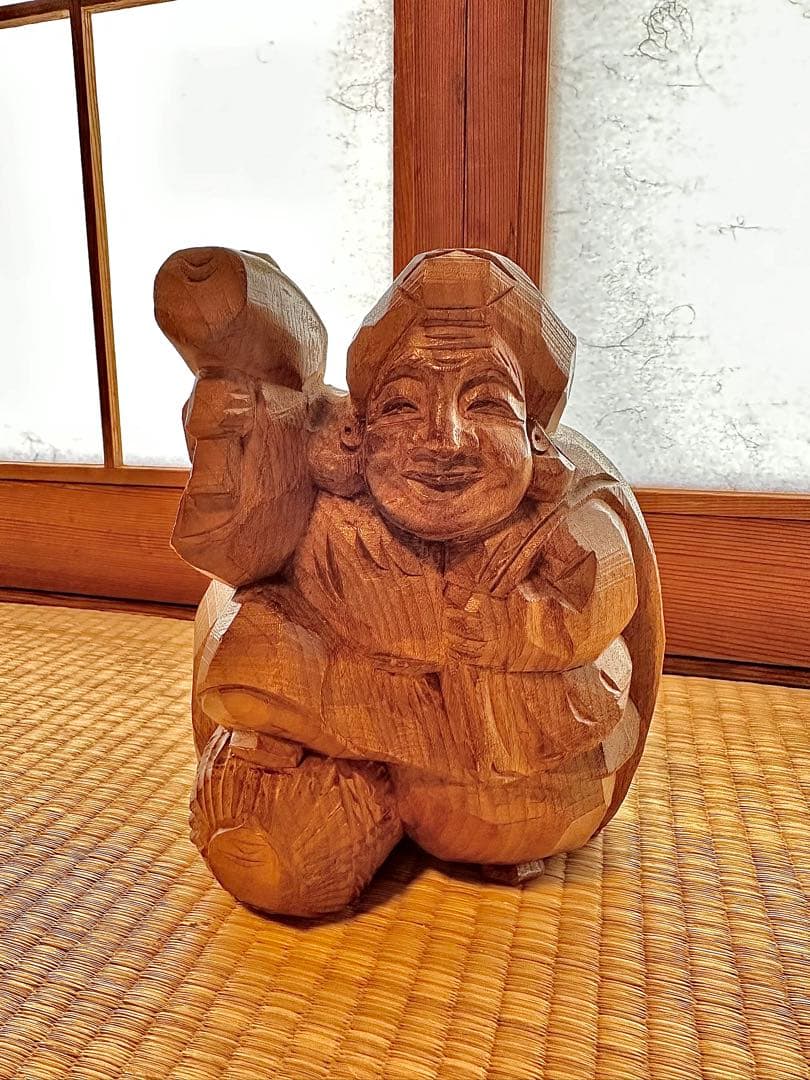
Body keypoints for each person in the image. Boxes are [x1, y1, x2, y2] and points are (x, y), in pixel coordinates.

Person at [156, 247, 663, 917]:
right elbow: (230, 550)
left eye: (485, 402)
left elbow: (600, 593)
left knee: (505, 816)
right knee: (269, 810)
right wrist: (234, 420)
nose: (443, 439)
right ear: (357, 431)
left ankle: (382, 768)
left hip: (509, 760)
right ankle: (354, 787)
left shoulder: (564, 515)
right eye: (401, 405)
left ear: (537, 438)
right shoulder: (330, 499)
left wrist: (517, 628)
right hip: (365, 730)